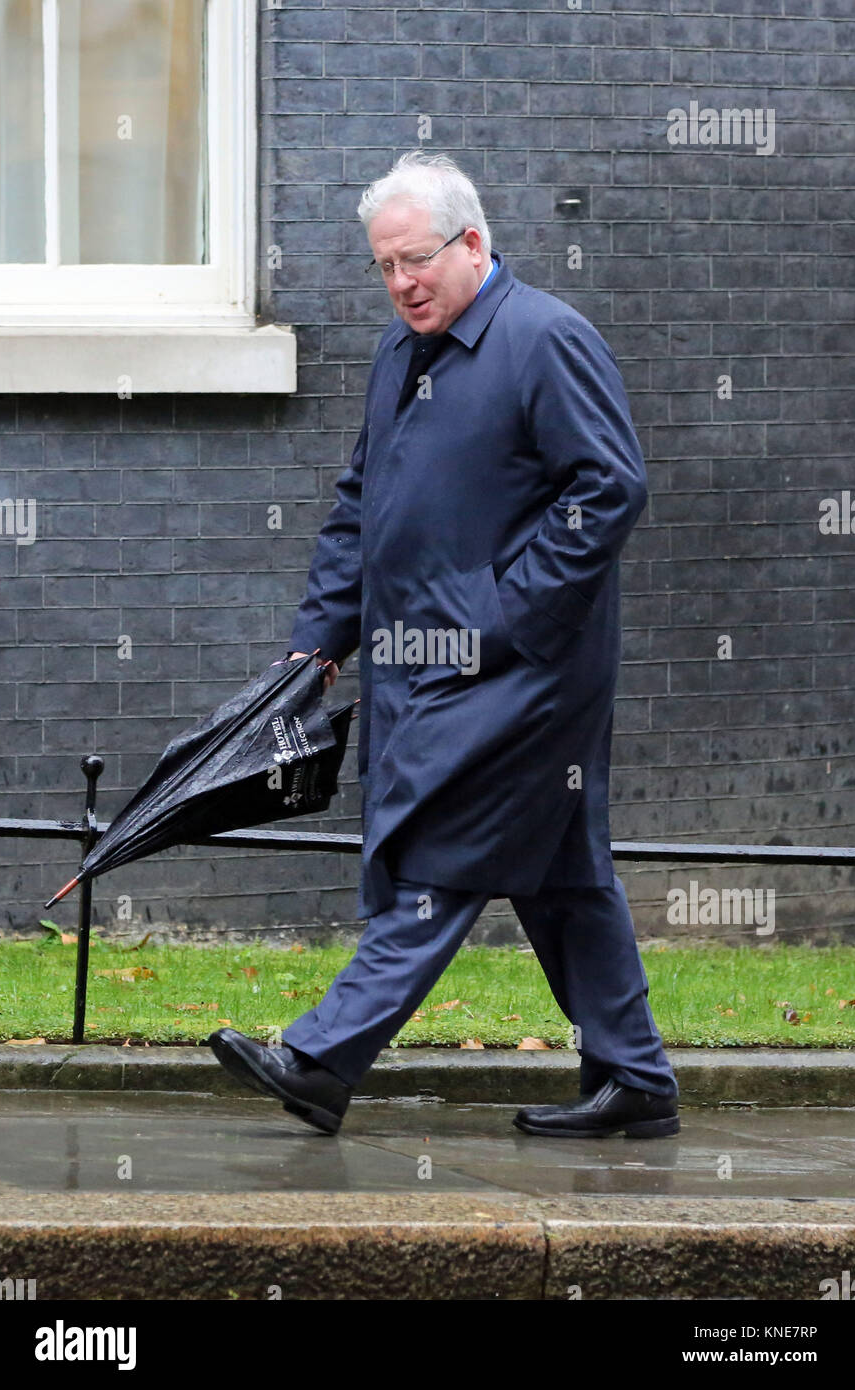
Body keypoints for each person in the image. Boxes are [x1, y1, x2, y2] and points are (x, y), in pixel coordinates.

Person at [209, 150, 679, 1140]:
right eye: (384, 267)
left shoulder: (546, 338)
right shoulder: (398, 356)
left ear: (474, 243)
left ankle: (324, 1054)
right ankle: (634, 1079)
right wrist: (316, 649)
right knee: (562, 875)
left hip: (529, 675)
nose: (401, 283)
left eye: (415, 260)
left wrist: (505, 618)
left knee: (446, 852)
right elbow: (358, 511)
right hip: (426, 665)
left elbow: (610, 489)